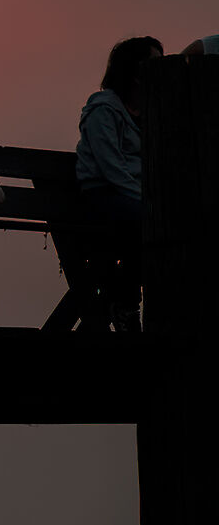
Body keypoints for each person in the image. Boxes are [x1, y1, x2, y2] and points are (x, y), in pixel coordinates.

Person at [75, 36, 161, 331]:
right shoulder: (104, 109)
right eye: (153, 61)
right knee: (149, 223)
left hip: (136, 197)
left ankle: (145, 307)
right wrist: (145, 200)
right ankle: (124, 304)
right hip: (104, 195)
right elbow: (111, 168)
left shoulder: (153, 111)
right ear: (133, 69)